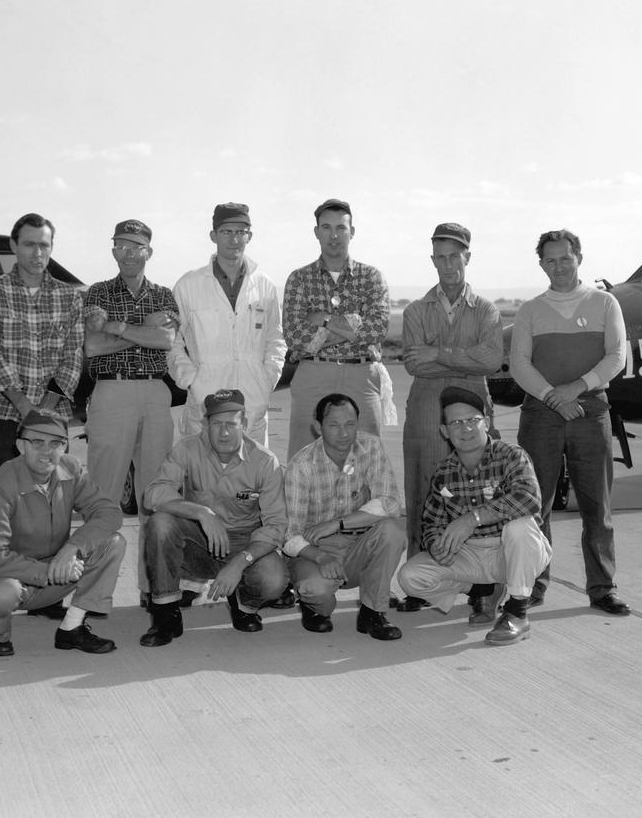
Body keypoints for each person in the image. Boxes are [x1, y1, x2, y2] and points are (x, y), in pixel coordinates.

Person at [509, 229, 630, 615]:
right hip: (541, 415)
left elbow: (617, 357)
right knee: (534, 506)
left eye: (565, 258)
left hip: (590, 412)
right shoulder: (530, 310)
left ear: (579, 258)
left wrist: (574, 389)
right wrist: (552, 397)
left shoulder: (605, 303)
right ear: (541, 264)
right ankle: (531, 585)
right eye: (550, 260)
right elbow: (519, 364)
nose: (558, 266)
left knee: (597, 507)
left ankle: (603, 588)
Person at [398, 222, 504, 618]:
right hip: (426, 409)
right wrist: (463, 357)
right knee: (424, 489)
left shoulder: (486, 310)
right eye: (440, 257)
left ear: (467, 257)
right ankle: (422, 580)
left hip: (474, 406)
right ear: (432, 260)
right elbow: (414, 363)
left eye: (454, 256)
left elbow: (491, 360)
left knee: (479, 489)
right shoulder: (415, 310)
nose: (447, 264)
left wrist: (438, 353)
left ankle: (482, 582)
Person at [396, 387, 551, 646]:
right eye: (456, 423)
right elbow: (432, 521)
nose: (465, 428)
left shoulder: (511, 455)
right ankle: (483, 590)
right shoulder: (444, 472)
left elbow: (529, 499)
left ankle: (517, 612)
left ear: (486, 423)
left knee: (520, 526)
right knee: (410, 576)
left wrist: (472, 519)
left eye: (472, 420)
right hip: (470, 554)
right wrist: (436, 546)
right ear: (444, 431)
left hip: (510, 551)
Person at [0, 410, 125, 657]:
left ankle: (72, 627)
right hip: (7, 576)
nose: (46, 451)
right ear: (21, 446)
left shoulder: (70, 468)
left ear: (65, 446)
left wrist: (72, 548)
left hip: (55, 571)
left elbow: (109, 513)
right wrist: (49, 571)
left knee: (112, 543)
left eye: (55, 443)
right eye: (37, 442)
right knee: (2, 596)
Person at [139, 388, 289, 646]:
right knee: (160, 523)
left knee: (274, 579)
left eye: (231, 424)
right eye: (217, 424)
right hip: (200, 540)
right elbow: (153, 494)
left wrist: (240, 562)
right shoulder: (187, 449)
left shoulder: (265, 462)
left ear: (244, 424)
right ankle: (166, 615)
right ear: (205, 424)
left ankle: (244, 605)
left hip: (244, 541)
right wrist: (201, 512)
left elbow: (276, 526)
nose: (224, 432)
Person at [82, 219, 178, 597]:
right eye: (121, 245)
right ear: (113, 251)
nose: (129, 253)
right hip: (112, 391)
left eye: (136, 246)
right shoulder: (98, 293)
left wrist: (117, 328)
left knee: (155, 496)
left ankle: (153, 590)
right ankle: (94, 594)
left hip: (155, 393)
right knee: (103, 496)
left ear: (149, 252)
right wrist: (141, 330)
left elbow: (166, 340)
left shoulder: (164, 295)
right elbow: (93, 345)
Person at [0, 212, 84, 494]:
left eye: (44, 245)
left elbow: (72, 356)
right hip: (2, 418)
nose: (37, 253)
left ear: (51, 247)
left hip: (52, 420)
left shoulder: (69, 297)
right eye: (29, 244)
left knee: (51, 503)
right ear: (13, 246)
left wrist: (44, 409)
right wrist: (24, 406)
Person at [282, 393, 406, 640]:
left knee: (393, 530)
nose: (344, 433)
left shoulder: (371, 447)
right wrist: (321, 557)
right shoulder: (301, 465)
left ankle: (372, 612)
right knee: (314, 590)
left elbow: (390, 503)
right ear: (317, 427)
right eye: (333, 425)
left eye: (350, 424)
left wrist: (338, 523)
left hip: (358, 544)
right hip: (315, 549)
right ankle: (314, 607)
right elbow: (289, 535)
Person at [167, 202, 285, 446]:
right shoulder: (189, 285)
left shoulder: (264, 285)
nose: (234, 239)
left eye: (241, 232)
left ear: (250, 236)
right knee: (203, 468)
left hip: (252, 402)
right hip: (205, 402)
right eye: (226, 231)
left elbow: (276, 338)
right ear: (213, 235)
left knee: (252, 468)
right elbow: (172, 341)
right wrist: (190, 380)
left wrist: (267, 379)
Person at [282, 199, 390, 460]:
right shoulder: (299, 278)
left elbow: (376, 329)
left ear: (352, 232)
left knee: (367, 459)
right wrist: (352, 324)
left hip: (361, 375)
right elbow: (295, 337)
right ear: (316, 232)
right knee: (304, 459)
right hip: (313, 375)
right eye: (326, 227)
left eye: (341, 228)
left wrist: (324, 320)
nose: (334, 235)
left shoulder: (371, 277)